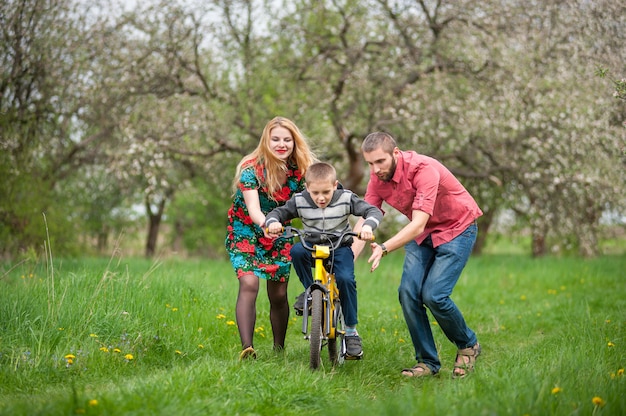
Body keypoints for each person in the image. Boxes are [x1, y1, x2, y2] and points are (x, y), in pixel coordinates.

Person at [352, 132, 483, 378]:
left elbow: (418, 224)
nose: (375, 169)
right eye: (369, 163)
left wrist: (384, 247)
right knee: (408, 293)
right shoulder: (376, 179)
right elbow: (365, 219)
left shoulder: (423, 169)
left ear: (396, 153)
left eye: (380, 161)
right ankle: (427, 363)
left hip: (457, 229)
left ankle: (468, 345)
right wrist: (348, 258)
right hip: (425, 235)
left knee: (434, 295)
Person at [265, 162, 383, 359]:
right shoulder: (300, 200)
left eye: (326, 192)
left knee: (346, 279)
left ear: (335, 185)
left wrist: (368, 226)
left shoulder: (346, 198)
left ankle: (352, 332)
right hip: (311, 246)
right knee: (296, 251)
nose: (321, 198)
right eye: (315, 192)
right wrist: (274, 222)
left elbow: (373, 211)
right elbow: (278, 213)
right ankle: (309, 291)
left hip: (339, 247)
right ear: (307, 187)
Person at [225, 116, 316, 360]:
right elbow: (254, 209)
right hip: (246, 230)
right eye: (275, 139)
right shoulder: (250, 170)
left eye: (287, 139)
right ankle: (248, 348)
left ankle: (279, 350)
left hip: (279, 231)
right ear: (266, 140)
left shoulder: (301, 171)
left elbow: (316, 197)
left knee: (277, 293)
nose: (281, 144)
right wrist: (266, 223)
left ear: (294, 143)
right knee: (249, 283)